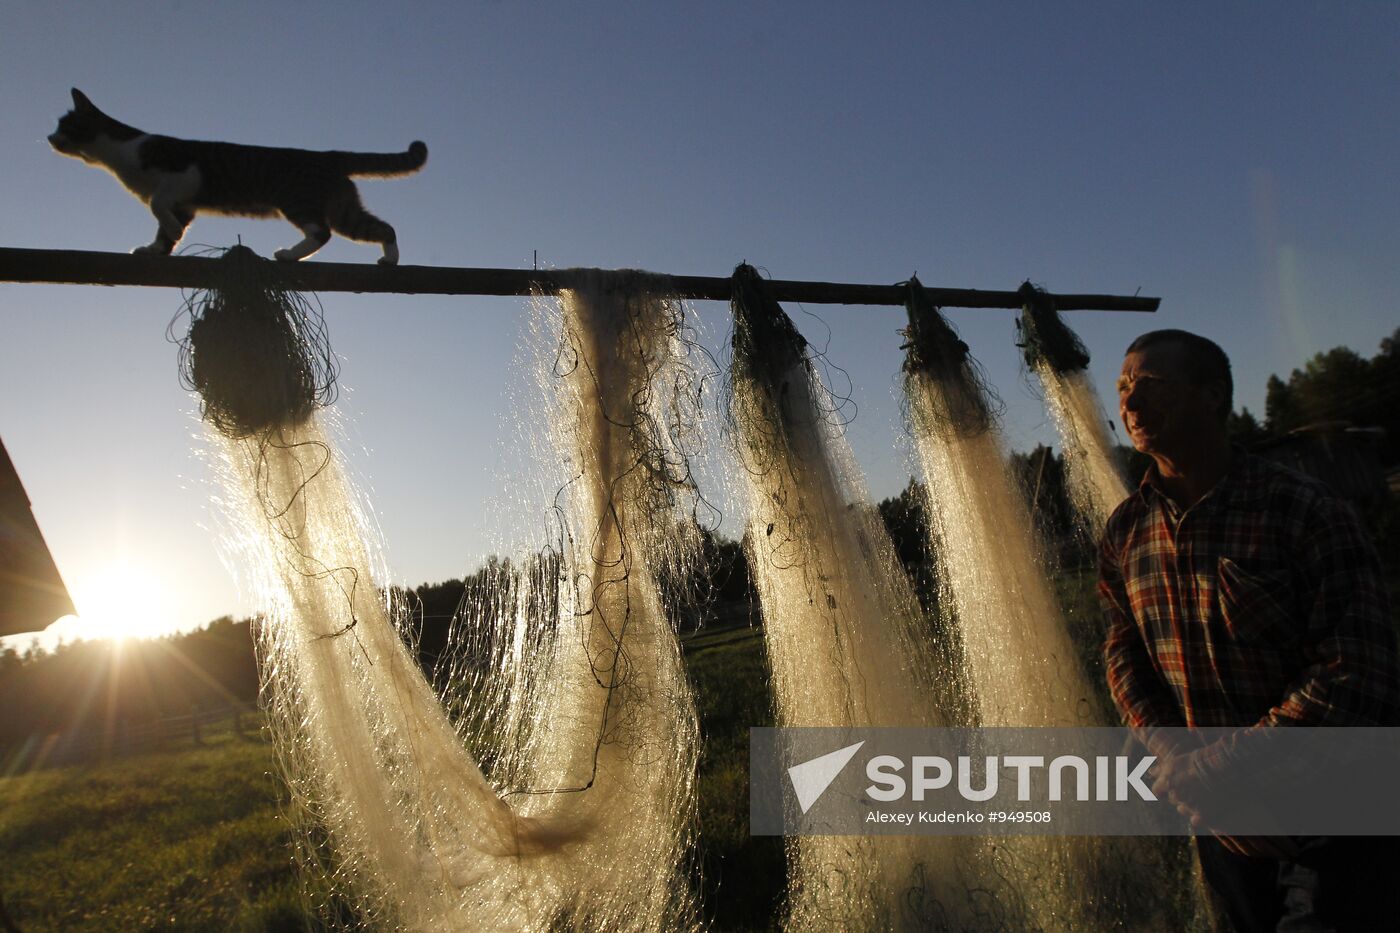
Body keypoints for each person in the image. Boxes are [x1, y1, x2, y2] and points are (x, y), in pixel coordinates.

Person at [1097, 328, 1400, 931]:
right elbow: (1123, 650)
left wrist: (1211, 774)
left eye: (1151, 385)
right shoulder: (1126, 531)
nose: (1129, 404)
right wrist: (1177, 758)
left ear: (1212, 395)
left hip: (1332, 816)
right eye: (1124, 387)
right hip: (1220, 822)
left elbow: (1355, 677)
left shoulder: (1301, 510)